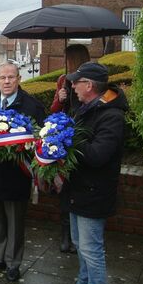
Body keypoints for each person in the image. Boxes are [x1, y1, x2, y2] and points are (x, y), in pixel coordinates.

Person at [55, 62, 128, 284]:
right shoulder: (86, 108)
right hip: (78, 190)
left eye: (77, 81)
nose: (72, 85)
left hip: (94, 192)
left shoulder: (112, 116)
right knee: (79, 244)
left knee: (91, 250)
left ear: (89, 85)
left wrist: (67, 140)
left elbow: (97, 156)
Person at [0, 63, 45, 282]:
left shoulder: (32, 106)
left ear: (19, 79)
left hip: (17, 174)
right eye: (2, 78)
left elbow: (40, 140)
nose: (7, 82)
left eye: (11, 77)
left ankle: (13, 262)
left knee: (15, 221)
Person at [50, 44, 90, 254]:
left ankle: (78, 236)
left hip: (81, 135)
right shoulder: (63, 80)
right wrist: (60, 98)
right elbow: (54, 109)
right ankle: (65, 236)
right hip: (66, 136)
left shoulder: (89, 80)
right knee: (64, 188)